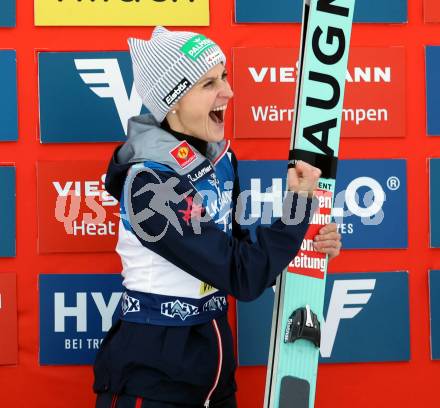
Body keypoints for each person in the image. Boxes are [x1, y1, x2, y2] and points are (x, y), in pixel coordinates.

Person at [93, 26, 342, 408]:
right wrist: (295, 211)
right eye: (209, 83)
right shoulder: (149, 185)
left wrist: (309, 243)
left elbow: (245, 250)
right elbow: (240, 274)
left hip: (214, 369)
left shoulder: (220, 159)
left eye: (224, 76)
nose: (229, 91)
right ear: (172, 102)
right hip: (153, 375)